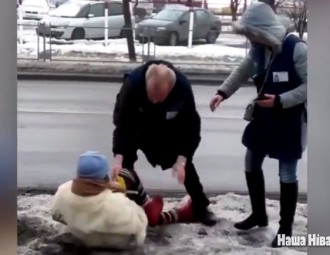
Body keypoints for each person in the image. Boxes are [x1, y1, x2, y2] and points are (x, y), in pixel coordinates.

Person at [209, 2, 307, 248]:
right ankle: (259, 215)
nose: (250, 38)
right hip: (264, 119)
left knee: (287, 174)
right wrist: (223, 92)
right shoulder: (259, 49)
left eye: (252, 33)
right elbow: (242, 71)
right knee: (251, 162)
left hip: (290, 122)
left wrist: (281, 100)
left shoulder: (297, 50)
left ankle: (285, 230)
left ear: (263, 30)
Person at [112, 60, 217, 226]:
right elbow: (122, 123)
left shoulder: (182, 88)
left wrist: (182, 159)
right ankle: (130, 208)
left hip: (167, 129)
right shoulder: (132, 85)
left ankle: (200, 206)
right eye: (151, 97)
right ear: (146, 84)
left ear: (170, 89)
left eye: (159, 98)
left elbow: (191, 127)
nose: (154, 101)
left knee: (185, 165)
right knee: (125, 168)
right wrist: (119, 156)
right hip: (138, 126)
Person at [51, 151, 193, 251]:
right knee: (126, 174)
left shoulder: (63, 191)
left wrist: (80, 218)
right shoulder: (115, 203)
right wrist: (123, 196)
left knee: (121, 180)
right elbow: (139, 226)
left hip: (83, 236)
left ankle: (155, 209)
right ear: (103, 175)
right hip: (117, 244)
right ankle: (158, 208)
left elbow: (56, 215)